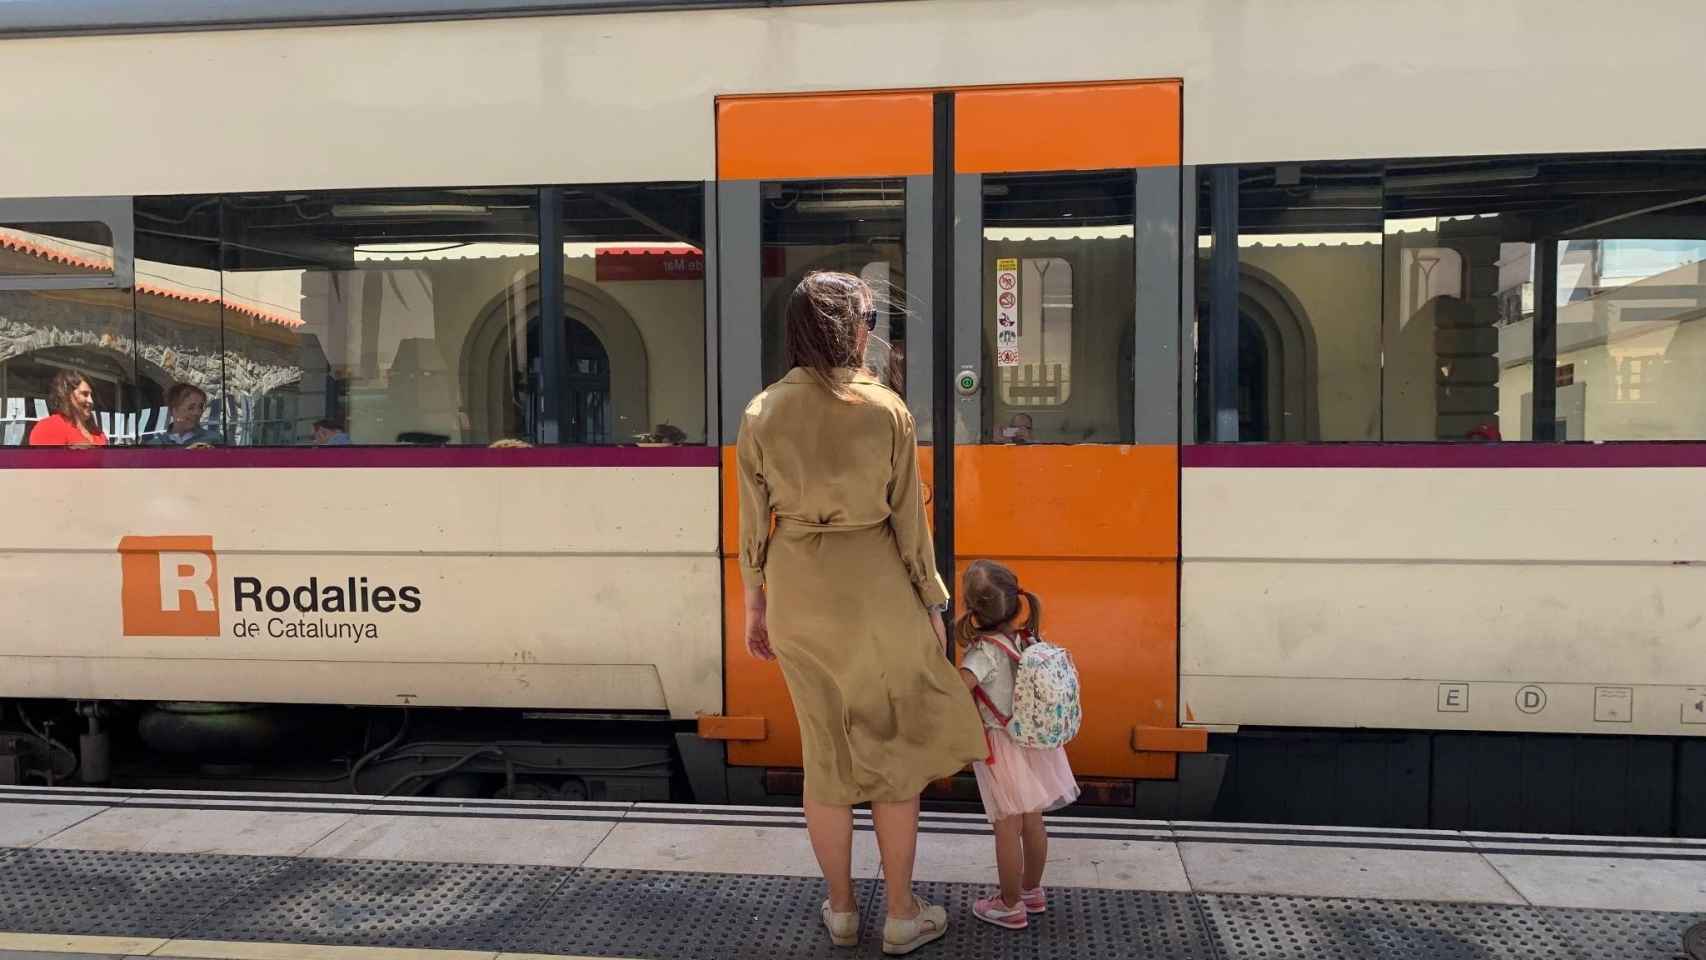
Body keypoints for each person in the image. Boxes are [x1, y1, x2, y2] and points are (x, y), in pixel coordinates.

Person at [737, 271, 986, 955]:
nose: (872, 329)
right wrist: (934, 605)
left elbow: (752, 523)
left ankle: (842, 910)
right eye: (869, 317)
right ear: (853, 328)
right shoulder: (886, 410)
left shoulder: (761, 411)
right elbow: (911, 526)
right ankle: (901, 912)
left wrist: (755, 605)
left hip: (797, 592)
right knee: (893, 757)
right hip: (876, 588)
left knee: (826, 756)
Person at [954, 559, 1079, 931]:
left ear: (971, 608)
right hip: (1035, 743)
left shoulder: (982, 653)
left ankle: (1008, 905)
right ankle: (1031, 891)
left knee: (1006, 829)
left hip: (1002, 748)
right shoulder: (1027, 638)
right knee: (1033, 822)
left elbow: (956, 691)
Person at [28, 369, 107, 447]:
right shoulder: (49, 428)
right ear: (67, 394)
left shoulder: (96, 431)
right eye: (84, 394)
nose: (91, 401)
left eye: (91, 396)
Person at [146, 383, 221, 446]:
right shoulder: (155, 445)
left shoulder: (214, 440)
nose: (197, 413)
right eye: (191, 407)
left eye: (200, 407)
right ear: (173, 410)